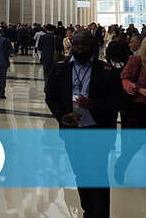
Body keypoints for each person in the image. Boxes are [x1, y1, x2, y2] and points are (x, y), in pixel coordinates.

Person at [45, 31, 121, 217]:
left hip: (97, 130)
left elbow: (118, 101)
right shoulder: (60, 69)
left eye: (84, 45)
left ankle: (101, 214)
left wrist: (94, 105)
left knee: (98, 176)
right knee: (81, 174)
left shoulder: (106, 71)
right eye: (76, 44)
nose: (80, 48)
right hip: (72, 131)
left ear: (93, 46)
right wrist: (61, 116)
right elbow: (51, 97)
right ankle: (88, 211)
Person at [114, 34, 146, 191]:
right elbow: (124, 79)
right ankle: (120, 166)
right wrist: (141, 90)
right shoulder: (136, 61)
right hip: (141, 107)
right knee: (136, 143)